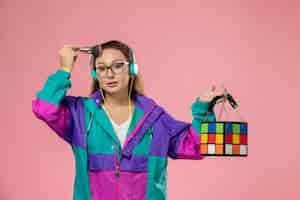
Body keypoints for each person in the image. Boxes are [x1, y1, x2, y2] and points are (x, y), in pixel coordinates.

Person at [32, 40, 225, 200]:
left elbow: (199, 145)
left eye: (117, 65)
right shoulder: (80, 115)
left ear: (132, 69)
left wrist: (203, 109)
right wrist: (65, 70)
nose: (109, 73)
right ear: (95, 73)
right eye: (101, 68)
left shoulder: (155, 119)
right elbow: (44, 108)